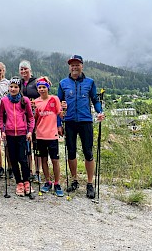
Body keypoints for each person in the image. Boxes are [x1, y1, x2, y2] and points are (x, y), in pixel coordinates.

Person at [57, 55, 105, 199]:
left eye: (77, 64)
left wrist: (100, 111)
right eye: (72, 65)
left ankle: (90, 184)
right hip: (70, 121)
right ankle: (74, 180)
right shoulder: (63, 83)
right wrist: (59, 123)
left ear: (82, 66)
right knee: (71, 152)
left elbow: (95, 100)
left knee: (88, 152)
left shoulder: (90, 82)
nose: (74, 67)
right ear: (69, 67)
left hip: (85, 121)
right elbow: (58, 105)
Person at [0, 76, 35, 197]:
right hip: (9, 134)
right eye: (11, 87)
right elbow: (1, 117)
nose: (13, 89)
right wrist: (2, 130)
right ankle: (19, 182)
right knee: (13, 160)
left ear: (19, 88)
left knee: (23, 159)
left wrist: (30, 131)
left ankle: (26, 182)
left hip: (22, 134)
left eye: (15, 87)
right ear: (8, 87)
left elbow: (31, 117)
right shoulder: (4, 101)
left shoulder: (25, 100)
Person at [34, 77, 66, 197]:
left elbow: (60, 114)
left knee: (55, 160)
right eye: (40, 87)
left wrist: (64, 111)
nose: (42, 89)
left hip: (52, 135)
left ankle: (57, 183)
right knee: (43, 160)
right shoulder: (36, 102)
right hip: (40, 135)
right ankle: (47, 181)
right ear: (37, 89)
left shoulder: (55, 99)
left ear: (48, 88)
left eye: (44, 87)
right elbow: (35, 118)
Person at [19, 60, 40, 182]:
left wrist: (35, 103)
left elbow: (44, 94)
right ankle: (29, 170)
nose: (23, 71)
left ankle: (37, 171)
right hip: (23, 118)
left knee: (36, 145)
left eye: (25, 69)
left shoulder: (37, 82)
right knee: (27, 146)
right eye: (21, 69)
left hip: (36, 117)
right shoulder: (19, 83)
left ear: (30, 70)